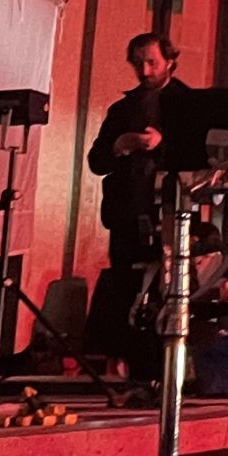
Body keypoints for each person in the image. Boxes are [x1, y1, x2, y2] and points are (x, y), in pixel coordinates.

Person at [82, 32, 194, 371]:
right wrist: (120, 145)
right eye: (138, 63)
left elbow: (200, 157)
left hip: (171, 218)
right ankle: (130, 368)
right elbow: (96, 161)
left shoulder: (190, 105)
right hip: (126, 216)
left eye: (152, 63)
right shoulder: (122, 109)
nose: (144, 71)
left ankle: (161, 370)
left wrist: (163, 143)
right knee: (126, 293)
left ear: (170, 61)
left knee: (166, 295)